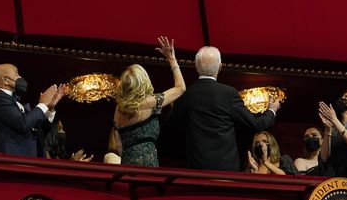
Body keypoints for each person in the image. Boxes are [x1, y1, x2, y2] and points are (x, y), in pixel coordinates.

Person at [170, 46, 278, 172]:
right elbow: (255, 124)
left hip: (196, 170)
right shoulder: (228, 93)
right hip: (226, 172)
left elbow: (171, 128)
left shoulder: (187, 95)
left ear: (196, 66)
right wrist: (272, 110)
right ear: (220, 67)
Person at [113, 36, 186, 167]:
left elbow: (118, 145)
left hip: (126, 165)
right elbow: (181, 88)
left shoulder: (118, 109)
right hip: (148, 166)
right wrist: (172, 59)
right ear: (144, 82)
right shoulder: (150, 103)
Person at [0, 64, 65, 156]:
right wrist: (42, 104)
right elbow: (23, 124)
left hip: (28, 159)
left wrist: (50, 107)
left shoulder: (14, 101)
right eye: (17, 74)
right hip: (12, 160)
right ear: (5, 80)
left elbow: (39, 129)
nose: (20, 77)